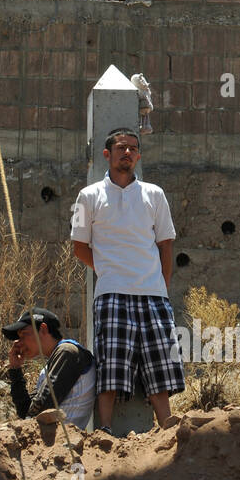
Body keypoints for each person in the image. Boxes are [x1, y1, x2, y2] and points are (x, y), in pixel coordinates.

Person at [71, 127, 184, 431]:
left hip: (153, 294)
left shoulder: (155, 194)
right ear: (107, 154)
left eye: (133, 149)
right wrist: (107, 269)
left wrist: (162, 284)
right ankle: (104, 430)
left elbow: (166, 243)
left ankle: (168, 429)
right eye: (121, 148)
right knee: (111, 363)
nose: (128, 153)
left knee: (159, 363)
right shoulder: (87, 196)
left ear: (139, 155)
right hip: (111, 293)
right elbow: (78, 246)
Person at [3, 307, 97, 429]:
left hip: (62, 442)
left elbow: (41, 406)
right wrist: (15, 369)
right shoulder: (51, 364)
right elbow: (25, 411)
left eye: (24, 335)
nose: (18, 343)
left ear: (43, 329)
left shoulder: (68, 351)